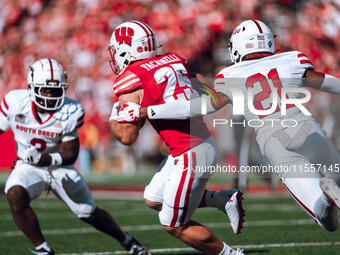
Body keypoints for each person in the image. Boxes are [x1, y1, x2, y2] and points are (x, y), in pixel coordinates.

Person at [116, 20, 340, 232]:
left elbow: (196, 107)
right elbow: (326, 82)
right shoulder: (292, 59)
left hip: (276, 143)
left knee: (326, 219)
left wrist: (147, 110)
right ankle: (332, 190)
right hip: (310, 131)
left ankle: (327, 201)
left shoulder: (229, 76)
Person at [108, 20, 245, 255]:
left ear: (125, 50)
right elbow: (197, 79)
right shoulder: (173, 59)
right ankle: (223, 199)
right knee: (153, 198)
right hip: (194, 146)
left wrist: (113, 118)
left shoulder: (131, 77)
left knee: (173, 224)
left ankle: (231, 254)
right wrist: (221, 93)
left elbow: (128, 137)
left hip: (191, 153)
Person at [0, 58, 151, 255]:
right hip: (28, 166)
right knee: (14, 195)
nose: (50, 95)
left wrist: (47, 159)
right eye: (45, 90)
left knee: (88, 213)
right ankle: (43, 249)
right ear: (31, 87)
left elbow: (71, 153)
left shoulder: (72, 110)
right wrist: (36, 161)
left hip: (59, 166)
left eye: (55, 90)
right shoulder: (14, 102)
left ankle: (127, 240)